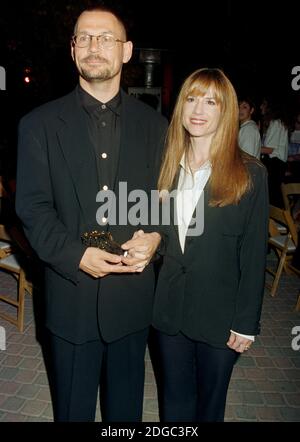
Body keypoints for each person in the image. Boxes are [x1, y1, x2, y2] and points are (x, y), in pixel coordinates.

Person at [16, 5, 167, 422]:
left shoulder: (157, 127)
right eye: (84, 37)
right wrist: (74, 255)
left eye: (106, 38)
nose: (94, 46)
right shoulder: (38, 125)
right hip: (71, 299)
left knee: (125, 416)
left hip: (133, 301)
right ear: (72, 49)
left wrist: (157, 237)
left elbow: (167, 202)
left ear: (126, 51)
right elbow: (31, 207)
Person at [153, 68, 269, 422]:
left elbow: (253, 255)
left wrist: (246, 322)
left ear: (226, 110)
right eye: (191, 98)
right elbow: (161, 236)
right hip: (170, 310)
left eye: (210, 101)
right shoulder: (165, 167)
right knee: (174, 402)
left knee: (210, 407)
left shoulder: (250, 174)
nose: (198, 109)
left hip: (221, 317)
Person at [260, 97, 289, 207]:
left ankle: (281, 223)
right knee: (275, 197)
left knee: (275, 198)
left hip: (275, 164)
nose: (261, 107)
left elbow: (270, 149)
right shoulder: (276, 123)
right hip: (276, 164)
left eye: (263, 104)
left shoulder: (276, 123)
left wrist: (251, 147)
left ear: (269, 108)